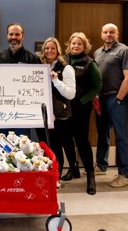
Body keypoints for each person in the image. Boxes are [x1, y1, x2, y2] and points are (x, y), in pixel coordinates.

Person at [93, 23, 128, 188]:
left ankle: (124, 174)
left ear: (117, 34)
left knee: (121, 136)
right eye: (105, 32)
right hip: (100, 98)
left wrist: (118, 98)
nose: (108, 34)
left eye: (112, 32)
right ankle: (102, 165)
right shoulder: (97, 52)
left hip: (115, 98)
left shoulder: (124, 51)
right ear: (101, 34)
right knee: (102, 134)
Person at [63, 32, 102, 195]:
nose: (76, 46)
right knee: (66, 139)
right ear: (69, 45)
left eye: (79, 44)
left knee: (82, 141)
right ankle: (73, 168)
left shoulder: (89, 63)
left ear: (84, 46)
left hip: (80, 108)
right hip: (64, 108)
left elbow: (97, 85)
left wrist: (83, 100)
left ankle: (91, 177)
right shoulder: (62, 60)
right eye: (73, 43)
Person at [38, 37, 76, 188]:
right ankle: (46, 176)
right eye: (47, 48)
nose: (49, 51)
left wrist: (56, 81)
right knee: (43, 146)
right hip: (41, 115)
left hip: (60, 116)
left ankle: (56, 179)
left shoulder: (66, 68)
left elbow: (70, 94)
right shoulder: (38, 68)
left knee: (55, 147)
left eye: (52, 48)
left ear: (58, 50)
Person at [0, 22, 41, 136]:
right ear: (7, 36)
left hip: (23, 108)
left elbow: (39, 84)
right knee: (3, 140)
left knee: (22, 141)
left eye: (17, 34)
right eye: (11, 34)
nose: (14, 37)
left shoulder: (32, 58)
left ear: (22, 36)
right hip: (3, 107)